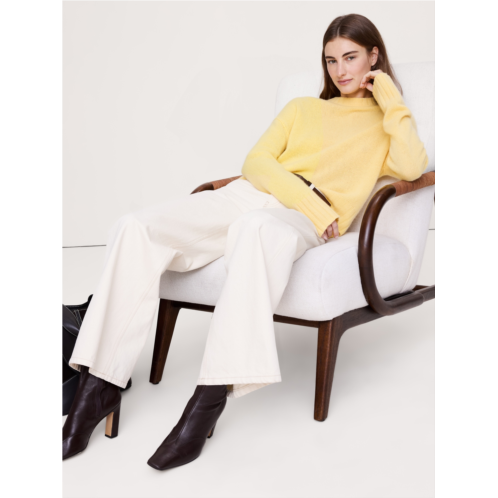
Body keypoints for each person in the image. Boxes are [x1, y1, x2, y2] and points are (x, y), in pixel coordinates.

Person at [62, 13, 429, 470]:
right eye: (331, 60)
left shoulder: (386, 123)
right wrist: (306, 198)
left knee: (257, 230)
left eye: (351, 57)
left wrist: (389, 97)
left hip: (298, 219)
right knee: (135, 226)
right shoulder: (302, 108)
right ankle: (98, 388)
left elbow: (411, 167)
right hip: (249, 195)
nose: (340, 70)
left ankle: (208, 400)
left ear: (374, 56)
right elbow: (256, 162)